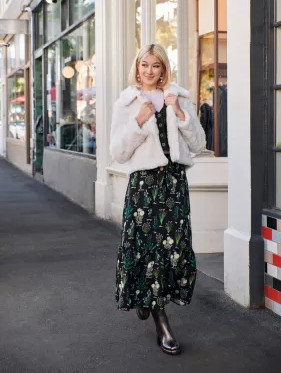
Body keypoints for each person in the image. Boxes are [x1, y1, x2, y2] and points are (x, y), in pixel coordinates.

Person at [110, 43, 206, 355]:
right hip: (144, 185)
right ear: (137, 67)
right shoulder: (126, 103)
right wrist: (138, 121)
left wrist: (178, 113)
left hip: (174, 184)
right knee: (147, 250)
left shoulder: (179, 97)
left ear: (164, 69)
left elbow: (199, 144)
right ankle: (161, 321)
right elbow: (118, 153)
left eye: (156, 66)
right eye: (144, 65)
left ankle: (147, 300)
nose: (149, 71)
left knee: (174, 249)